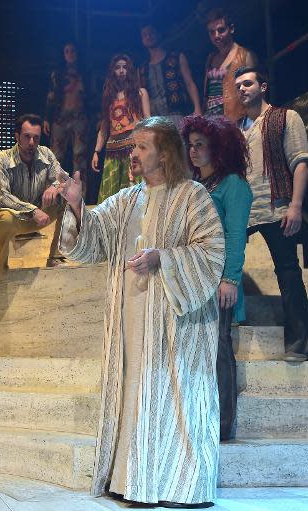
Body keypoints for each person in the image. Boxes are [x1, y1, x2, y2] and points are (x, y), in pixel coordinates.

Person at [58, 117, 224, 507]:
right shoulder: (128, 199)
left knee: (175, 395)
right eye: (133, 146)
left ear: (164, 154)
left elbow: (212, 251)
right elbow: (91, 241)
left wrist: (163, 259)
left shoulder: (192, 195)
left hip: (176, 323)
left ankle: (182, 486)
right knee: (136, 391)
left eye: (141, 146)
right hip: (132, 317)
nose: (132, 153)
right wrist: (77, 205)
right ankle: (134, 482)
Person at [235, 67, 308, 362]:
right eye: (238, 86)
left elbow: (300, 162)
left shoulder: (286, 117)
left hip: (276, 207)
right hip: (244, 212)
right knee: (223, 265)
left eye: (247, 83)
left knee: (288, 272)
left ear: (263, 86)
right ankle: (225, 331)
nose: (242, 89)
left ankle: (302, 344)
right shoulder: (238, 128)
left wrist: (295, 206)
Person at [182, 115, 252, 441]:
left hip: (219, 280)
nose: (194, 151)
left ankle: (224, 425)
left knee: (221, 346)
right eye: (191, 145)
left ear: (218, 148)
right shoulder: (197, 185)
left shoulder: (234, 185)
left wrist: (231, 279)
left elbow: (236, 235)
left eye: (201, 145)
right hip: (197, 279)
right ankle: (202, 415)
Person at [0, 114, 67, 270]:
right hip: (14, 217)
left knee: (67, 199)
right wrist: (33, 211)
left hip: (38, 214)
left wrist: (55, 186)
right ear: (17, 136)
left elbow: (64, 178)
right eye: (27, 137)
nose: (32, 143)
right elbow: (2, 197)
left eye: (36, 138)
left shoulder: (46, 153)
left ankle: (55, 257)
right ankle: (0, 267)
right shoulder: (1, 159)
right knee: (5, 218)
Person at [92, 54, 150, 203]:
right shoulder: (109, 97)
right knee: (110, 196)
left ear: (130, 70)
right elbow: (104, 127)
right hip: (113, 150)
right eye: (118, 67)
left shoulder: (140, 93)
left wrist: (147, 147)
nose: (121, 70)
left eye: (125, 67)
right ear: (113, 71)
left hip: (132, 148)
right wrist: (96, 151)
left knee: (135, 194)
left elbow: (148, 122)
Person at [139, 22, 202, 124]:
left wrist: (197, 108)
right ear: (142, 40)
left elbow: (189, 83)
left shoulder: (176, 57)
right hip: (154, 120)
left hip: (176, 114)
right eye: (144, 35)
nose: (148, 37)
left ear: (158, 34)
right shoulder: (142, 69)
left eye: (151, 33)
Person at [43, 41, 88, 174]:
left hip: (79, 117)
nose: (70, 54)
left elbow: (92, 96)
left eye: (72, 51)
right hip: (60, 117)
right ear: (63, 54)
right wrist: (47, 117)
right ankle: (54, 192)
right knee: (56, 157)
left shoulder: (85, 73)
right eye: (67, 51)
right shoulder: (57, 74)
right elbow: (51, 96)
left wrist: (97, 118)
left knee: (79, 157)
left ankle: (80, 193)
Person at [204, 8, 256, 121]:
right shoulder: (211, 58)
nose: (216, 35)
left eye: (221, 30)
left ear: (231, 28)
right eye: (212, 32)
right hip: (213, 126)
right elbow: (207, 96)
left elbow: (254, 97)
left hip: (237, 123)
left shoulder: (245, 56)